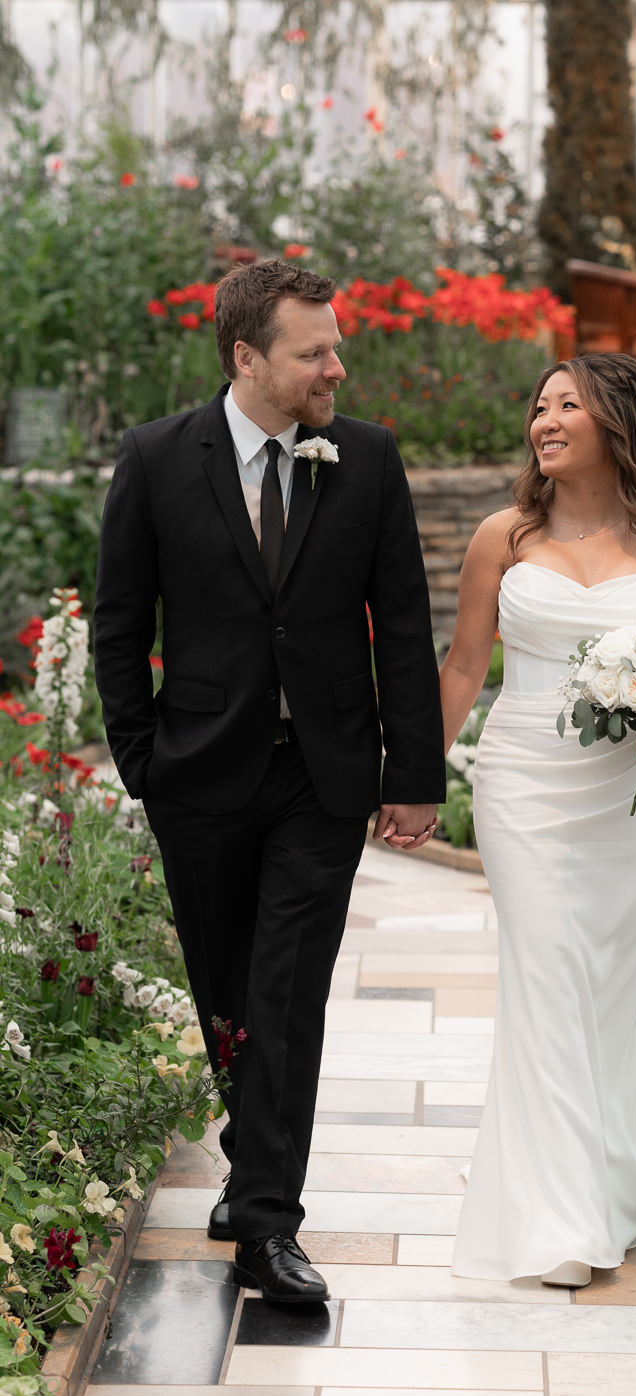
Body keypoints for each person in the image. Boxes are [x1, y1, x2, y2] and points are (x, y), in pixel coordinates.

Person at [93, 259, 445, 1304]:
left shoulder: (368, 461)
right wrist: (141, 759)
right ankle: (253, 1161)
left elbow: (405, 625)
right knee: (225, 992)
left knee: (284, 993)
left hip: (321, 778)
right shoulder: (156, 459)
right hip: (198, 773)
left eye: (335, 346)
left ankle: (265, 1227)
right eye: (313, 353)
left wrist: (413, 772)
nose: (337, 366)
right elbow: (120, 623)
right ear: (247, 358)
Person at [441, 352, 636, 1287]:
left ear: (616, 422)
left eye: (567, 404)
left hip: (626, 795)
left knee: (608, 977)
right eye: (539, 406)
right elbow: (461, 668)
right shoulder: (502, 537)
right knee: (546, 970)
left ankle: (613, 1180)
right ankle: (562, 1220)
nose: (545, 420)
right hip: (524, 774)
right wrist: (401, 779)